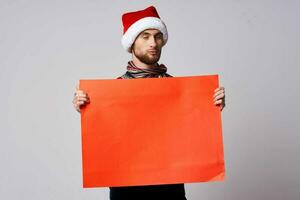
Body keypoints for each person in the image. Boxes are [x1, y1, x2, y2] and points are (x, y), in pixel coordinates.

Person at [72, 5, 225, 200]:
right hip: (125, 190)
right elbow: (104, 136)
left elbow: (191, 136)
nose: (153, 42)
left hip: (170, 190)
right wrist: (85, 108)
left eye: (157, 36)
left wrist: (211, 105)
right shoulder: (110, 93)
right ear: (132, 42)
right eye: (145, 36)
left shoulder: (179, 90)